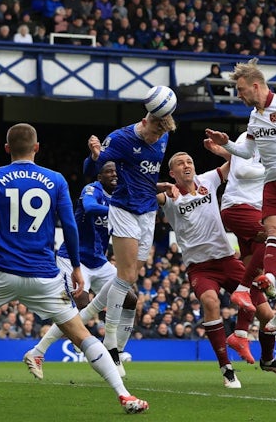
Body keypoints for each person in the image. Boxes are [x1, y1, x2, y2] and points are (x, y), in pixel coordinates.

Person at [0, 123, 148, 414]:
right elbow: (70, 225)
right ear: (36, 148)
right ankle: (125, 395)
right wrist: (75, 266)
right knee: (81, 334)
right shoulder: (56, 179)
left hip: (1, 270)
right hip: (44, 274)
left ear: (7, 148)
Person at [158, 151, 276, 388]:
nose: (186, 164)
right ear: (173, 173)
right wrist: (162, 186)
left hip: (227, 260)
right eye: (180, 163)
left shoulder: (208, 180)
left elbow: (237, 161)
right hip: (199, 267)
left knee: (266, 315)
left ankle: (269, 359)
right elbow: (141, 187)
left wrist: (239, 145)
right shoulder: (169, 196)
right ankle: (227, 369)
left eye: (189, 160)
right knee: (211, 302)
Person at [205, 58, 276, 337]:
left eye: (240, 89)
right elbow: (247, 153)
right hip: (272, 184)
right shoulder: (254, 117)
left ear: (255, 85)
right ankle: (269, 279)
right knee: (273, 232)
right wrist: (225, 142)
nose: (238, 95)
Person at [83, 101, 176, 370]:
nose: (156, 140)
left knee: (133, 275)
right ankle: (111, 344)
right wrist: (94, 155)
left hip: (148, 211)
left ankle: (88, 314)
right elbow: (93, 170)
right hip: (123, 208)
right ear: (145, 122)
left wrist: (160, 186)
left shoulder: (163, 135)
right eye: (153, 134)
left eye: (160, 136)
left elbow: (144, 176)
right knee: (126, 278)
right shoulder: (121, 138)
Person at [24, 161, 138, 378]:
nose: (113, 174)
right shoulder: (92, 190)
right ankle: (39, 351)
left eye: (115, 171)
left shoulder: (121, 196)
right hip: (73, 259)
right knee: (81, 306)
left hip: (99, 261)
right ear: (99, 176)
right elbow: (90, 207)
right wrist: (119, 211)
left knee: (130, 299)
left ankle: (117, 350)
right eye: (108, 171)